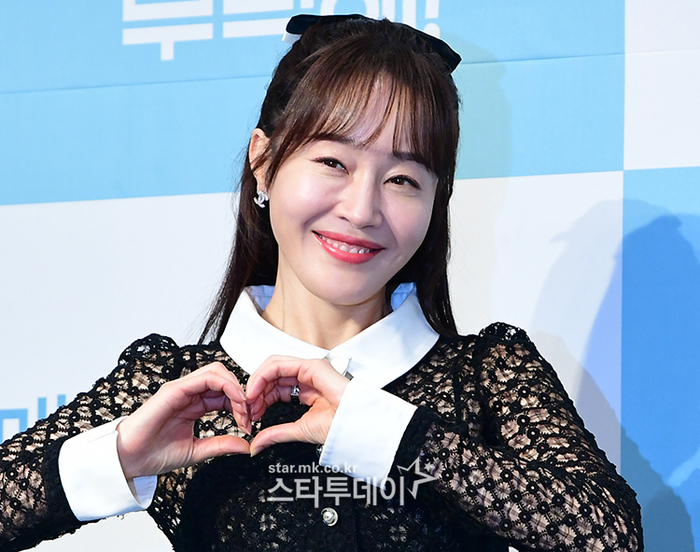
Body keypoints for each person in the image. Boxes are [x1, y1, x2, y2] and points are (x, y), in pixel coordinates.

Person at [0, 14, 642, 552]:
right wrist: (118, 458)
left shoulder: (484, 376)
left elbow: (610, 536)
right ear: (264, 161)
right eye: (334, 161)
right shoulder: (174, 385)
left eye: (403, 179)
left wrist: (386, 431)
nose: (362, 210)